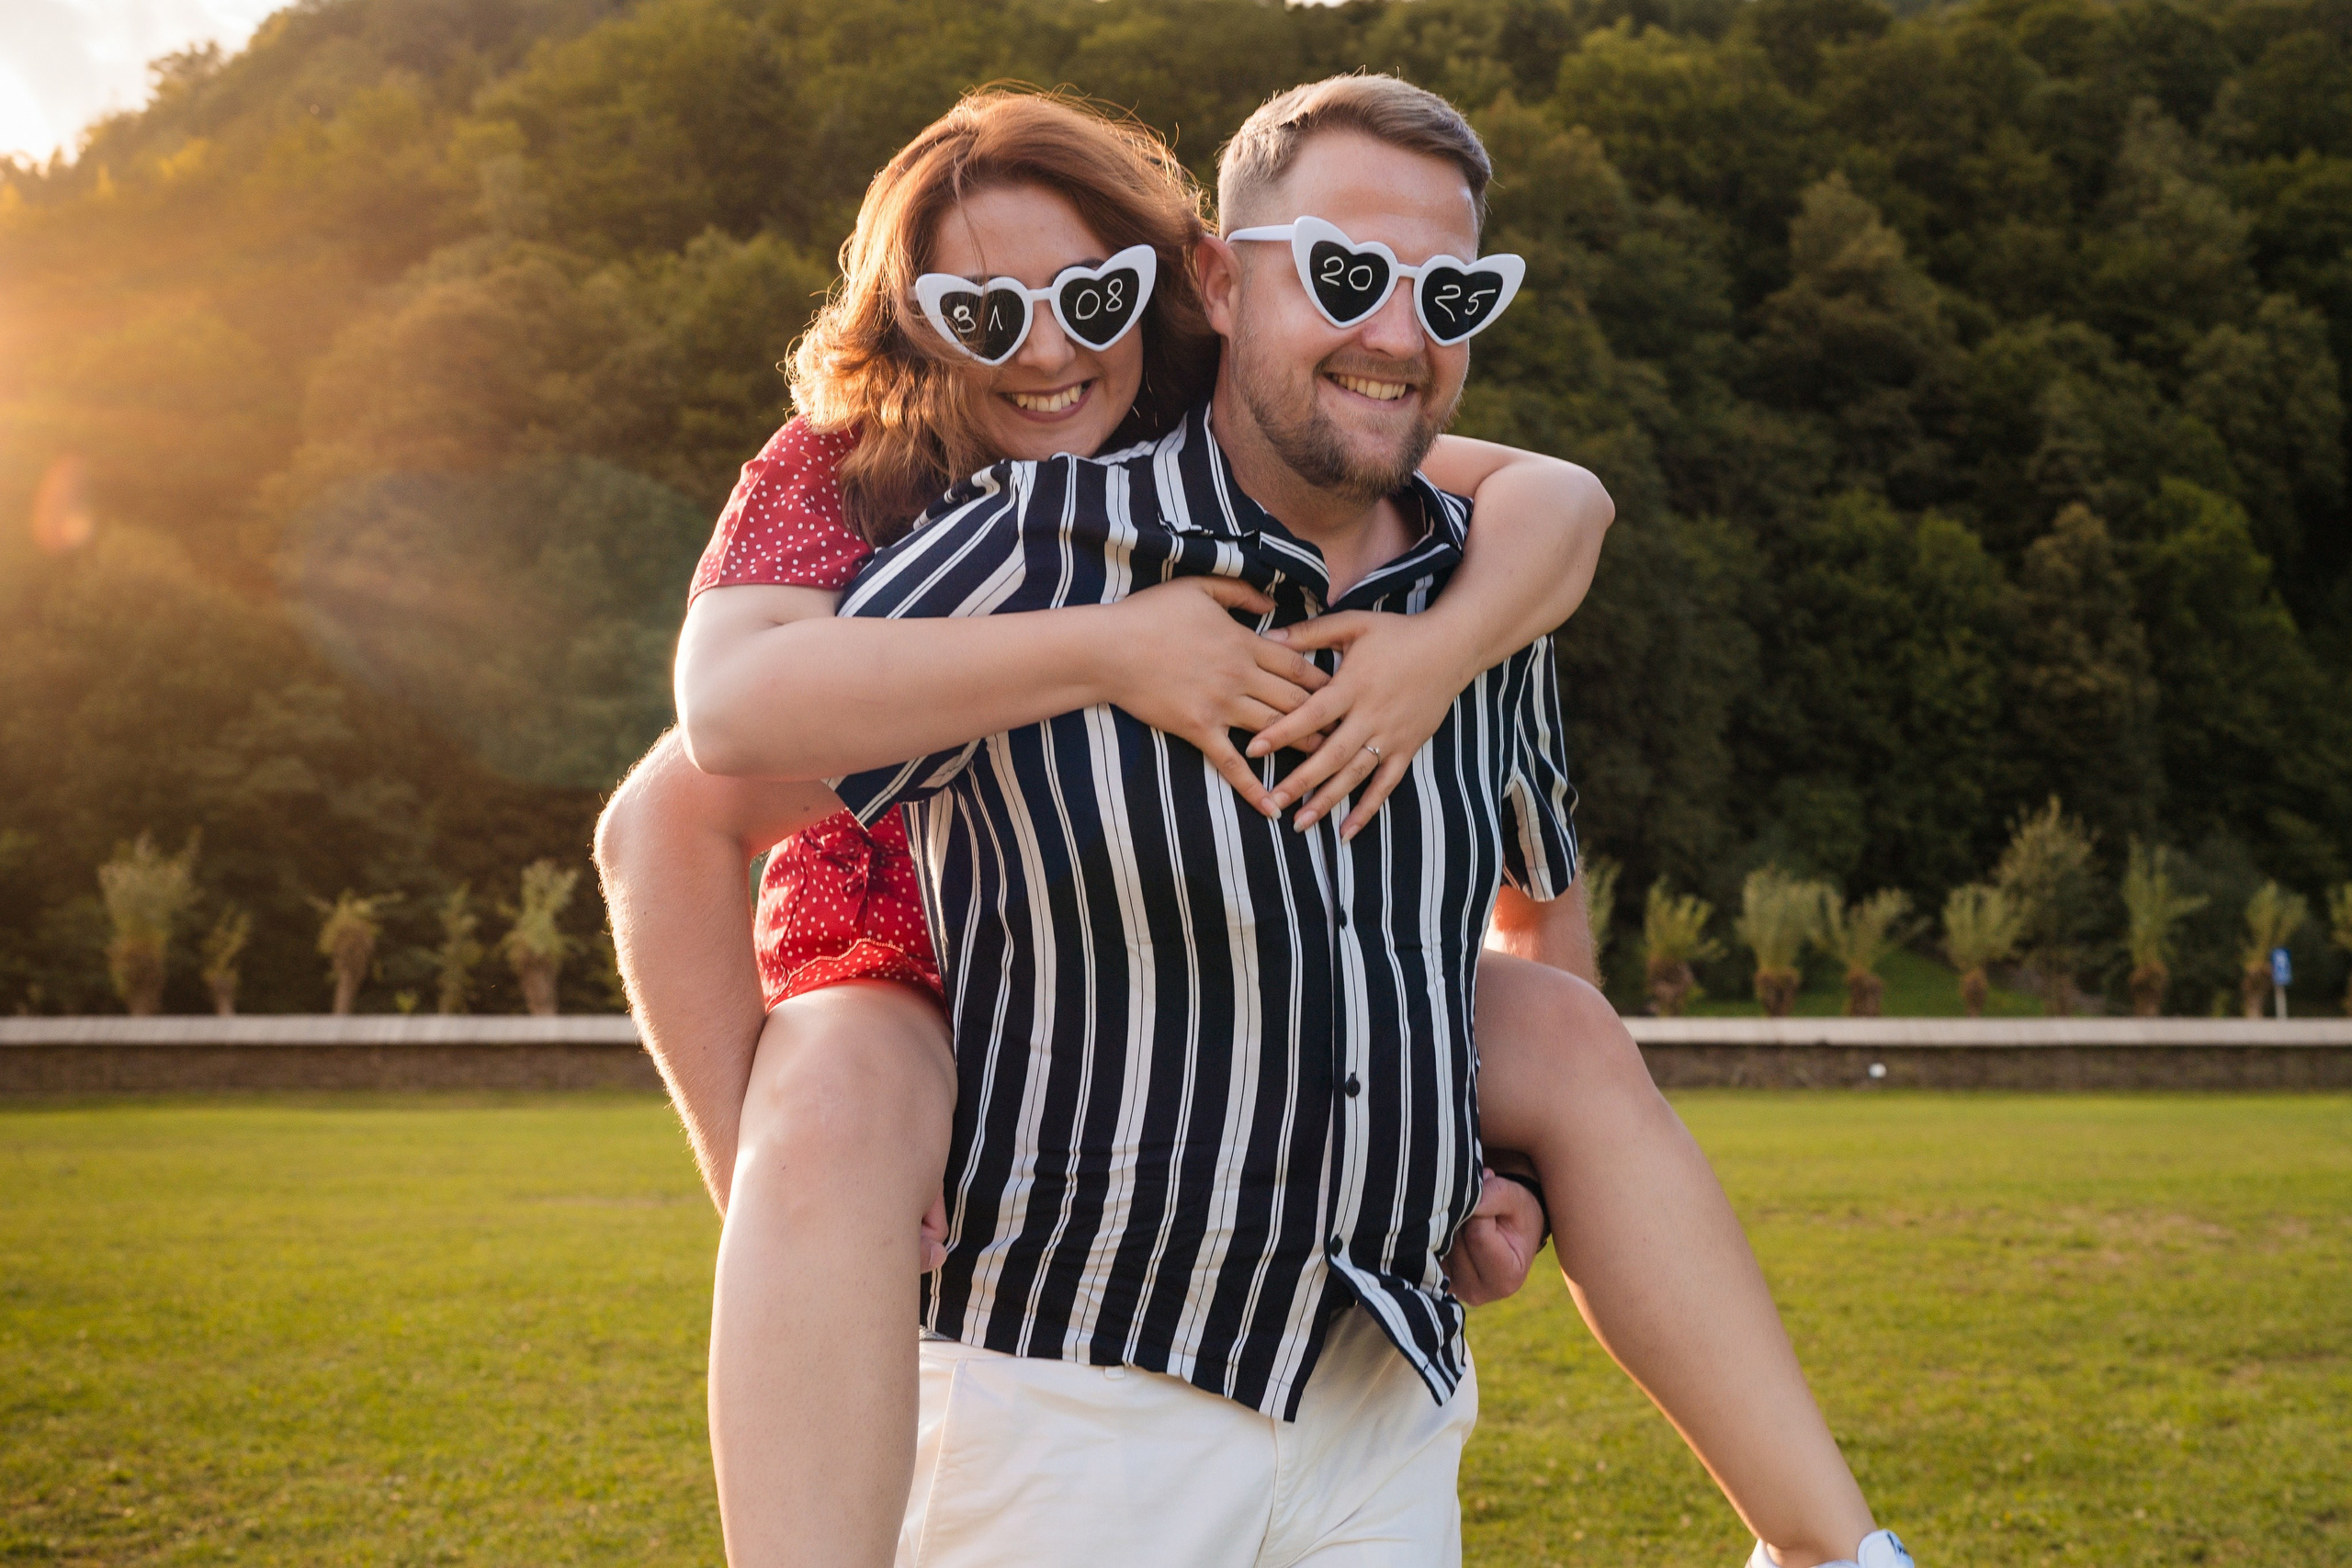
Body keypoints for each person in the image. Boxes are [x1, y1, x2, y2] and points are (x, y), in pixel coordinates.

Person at [600, 83, 1908, 1568]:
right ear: (914, 329)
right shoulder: (909, 502)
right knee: (831, 1114)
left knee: (1561, 1033)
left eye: (1093, 297)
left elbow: (1554, 517)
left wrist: (1435, 651)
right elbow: (688, 786)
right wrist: (785, 1228)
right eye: (984, 313)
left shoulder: (1318, 470)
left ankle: (1831, 1547)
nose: (1047, 348)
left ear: (1175, 292)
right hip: (903, 958)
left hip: (1358, 1369)